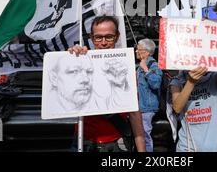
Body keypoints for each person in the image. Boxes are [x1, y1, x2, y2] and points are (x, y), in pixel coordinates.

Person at [68, 15, 146, 152]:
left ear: (117, 37)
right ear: (91, 38)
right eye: (98, 37)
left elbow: (134, 113)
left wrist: (142, 150)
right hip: (83, 142)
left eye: (109, 37)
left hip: (115, 143)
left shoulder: (126, 69)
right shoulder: (80, 62)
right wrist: (71, 58)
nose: (103, 42)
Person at [170, 66, 217, 152]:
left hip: (215, 146)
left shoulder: (213, 77)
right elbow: (177, 108)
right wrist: (191, 82)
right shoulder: (177, 81)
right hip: (187, 147)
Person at [135, 38, 162, 152]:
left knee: (144, 134)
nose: (136, 51)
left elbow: (156, 83)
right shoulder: (139, 66)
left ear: (146, 52)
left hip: (147, 107)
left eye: (138, 49)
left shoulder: (153, 65)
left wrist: (146, 70)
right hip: (139, 107)